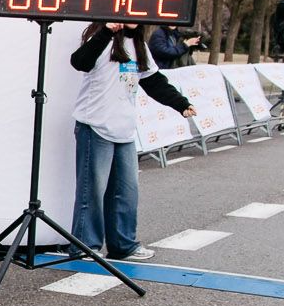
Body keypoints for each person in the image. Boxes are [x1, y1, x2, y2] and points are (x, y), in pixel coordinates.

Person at [69, 21, 196, 262]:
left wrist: (180, 103)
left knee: (126, 191)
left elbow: (153, 81)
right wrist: (106, 31)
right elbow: (80, 62)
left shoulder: (139, 45)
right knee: (92, 191)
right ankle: (85, 246)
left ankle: (123, 245)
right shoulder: (100, 38)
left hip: (124, 130)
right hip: (95, 125)